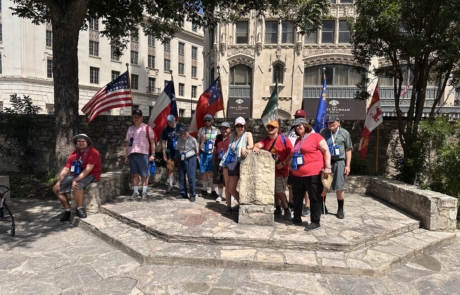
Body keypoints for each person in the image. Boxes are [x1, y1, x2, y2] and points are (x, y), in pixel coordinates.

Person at [290, 118, 331, 231]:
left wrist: (327, 167)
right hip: (298, 174)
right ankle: (297, 218)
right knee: (297, 197)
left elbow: (326, 151)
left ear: (305, 125)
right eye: (296, 126)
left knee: (314, 197)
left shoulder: (316, 136)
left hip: (313, 173)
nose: (298, 127)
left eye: (300, 125)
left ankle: (315, 221)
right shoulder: (298, 140)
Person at [53, 134, 102, 221]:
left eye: (83, 141)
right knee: (57, 189)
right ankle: (67, 210)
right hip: (75, 174)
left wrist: (75, 180)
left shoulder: (93, 152)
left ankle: (79, 208)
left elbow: (88, 169)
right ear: (76, 143)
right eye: (79, 141)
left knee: (77, 186)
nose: (81, 143)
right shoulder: (74, 153)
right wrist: (58, 183)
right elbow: (66, 168)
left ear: (87, 142)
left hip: (91, 174)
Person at [253, 121, 293, 220]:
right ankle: (278, 208)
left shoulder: (284, 139)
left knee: (280, 191)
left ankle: (286, 208)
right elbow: (259, 144)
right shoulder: (266, 140)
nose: (270, 129)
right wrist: (255, 147)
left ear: (277, 128)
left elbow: (291, 152)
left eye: (272, 127)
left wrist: (283, 163)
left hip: (281, 170)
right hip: (269, 171)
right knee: (273, 191)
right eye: (268, 127)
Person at [319, 115, 352, 219]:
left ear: (338, 122)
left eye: (333, 122)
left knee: (339, 186)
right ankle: (322, 205)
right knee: (324, 185)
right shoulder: (323, 132)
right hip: (326, 162)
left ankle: (340, 209)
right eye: (329, 122)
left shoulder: (345, 133)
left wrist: (347, 165)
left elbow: (348, 150)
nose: (331, 124)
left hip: (339, 162)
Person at [219, 117, 254, 215]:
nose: (239, 127)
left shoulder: (247, 134)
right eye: (237, 125)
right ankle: (228, 206)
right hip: (227, 162)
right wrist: (222, 163)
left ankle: (242, 205)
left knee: (232, 188)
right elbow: (229, 149)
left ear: (244, 126)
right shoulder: (232, 135)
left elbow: (252, 145)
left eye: (241, 125)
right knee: (227, 186)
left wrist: (245, 147)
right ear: (235, 127)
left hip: (236, 164)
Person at [125, 109, 156, 200]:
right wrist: (126, 155)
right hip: (132, 154)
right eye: (134, 116)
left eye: (138, 117)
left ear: (142, 117)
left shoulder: (146, 128)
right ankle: (135, 192)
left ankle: (144, 192)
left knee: (144, 174)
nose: (136, 118)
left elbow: (152, 142)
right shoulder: (130, 129)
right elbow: (127, 143)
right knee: (134, 174)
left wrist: (153, 154)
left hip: (143, 154)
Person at [286, 109, 311, 217]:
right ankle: (292, 204)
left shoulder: (311, 131)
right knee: (292, 185)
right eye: (296, 117)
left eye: (300, 117)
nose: (298, 120)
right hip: (293, 162)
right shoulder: (291, 130)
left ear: (305, 118)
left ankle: (307, 206)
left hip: (305, 162)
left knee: (305, 186)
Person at [197, 114, 221, 197]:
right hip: (203, 153)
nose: (207, 122)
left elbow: (219, 143)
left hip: (212, 153)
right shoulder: (201, 130)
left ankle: (213, 190)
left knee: (212, 172)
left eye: (209, 120)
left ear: (212, 121)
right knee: (204, 172)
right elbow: (198, 141)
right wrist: (197, 152)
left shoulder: (216, 130)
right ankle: (204, 190)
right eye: (205, 120)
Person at [175, 126, 200, 202]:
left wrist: (196, 158)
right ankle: (183, 193)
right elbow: (177, 148)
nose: (183, 135)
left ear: (187, 132)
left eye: (184, 133)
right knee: (181, 176)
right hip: (182, 159)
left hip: (191, 159)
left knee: (191, 177)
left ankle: (192, 194)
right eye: (181, 133)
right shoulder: (179, 139)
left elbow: (196, 150)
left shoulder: (193, 139)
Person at [161, 114, 182, 193]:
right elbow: (163, 141)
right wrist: (164, 153)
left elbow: (186, 138)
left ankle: (181, 186)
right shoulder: (166, 129)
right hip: (170, 152)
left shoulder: (180, 127)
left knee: (181, 169)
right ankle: (170, 185)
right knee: (170, 169)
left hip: (180, 152)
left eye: (171, 122)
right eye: (169, 122)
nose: (170, 124)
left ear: (175, 120)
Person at [213, 122, 232, 202]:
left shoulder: (232, 137)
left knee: (228, 180)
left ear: (229, 129)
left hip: (228, 161)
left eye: (226, 128)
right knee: (219, 179)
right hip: (218, 160)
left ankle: (231, 196)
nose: (224, 130)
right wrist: (213, 158)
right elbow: (215, 148)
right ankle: (220, 195)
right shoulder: (218, 137)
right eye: (223, 128)